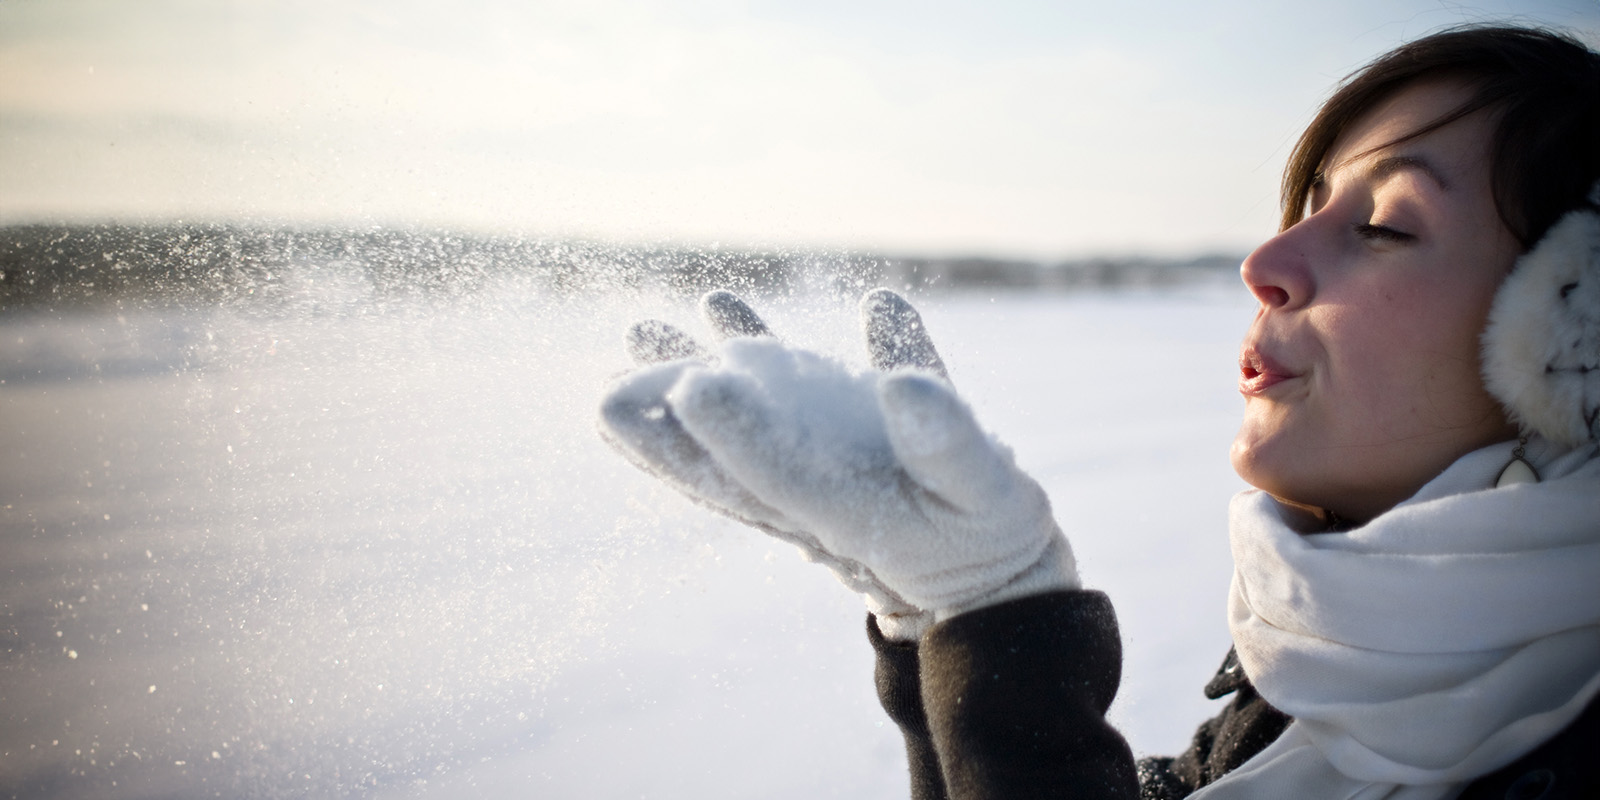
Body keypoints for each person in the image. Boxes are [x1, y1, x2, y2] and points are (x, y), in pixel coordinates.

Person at [597, 24, 1600, 799]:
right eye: (1304, 211)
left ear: (1571, 334)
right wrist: (941, 624)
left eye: (1382, 224)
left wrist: (1002, 617)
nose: (1265, 265)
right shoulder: (1308, 692)